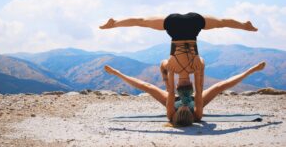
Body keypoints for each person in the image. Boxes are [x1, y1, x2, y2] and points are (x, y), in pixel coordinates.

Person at [100, 12, 258, 123]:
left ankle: (245, 25)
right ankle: (114, 23)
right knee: (143, 21)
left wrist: (252, 70)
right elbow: (146, 86)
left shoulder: (197, 107)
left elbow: (219, 86)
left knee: (221, 23)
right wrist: (167, 76)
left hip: (193, 28)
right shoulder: (171, 107)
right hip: (174, 29)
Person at [104, 61, 266, 126]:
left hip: (171, 96)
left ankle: (118, 72)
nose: (184, 105)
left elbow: (169, 90)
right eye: (186, 108)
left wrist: (171, 74)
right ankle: (251, 70)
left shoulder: (170, 112)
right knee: (220, 86)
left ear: (176, 112)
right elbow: (204, 89)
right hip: (196, 98)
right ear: (190, 111)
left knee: (148, 86)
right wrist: (198, 73)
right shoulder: (197, 113)